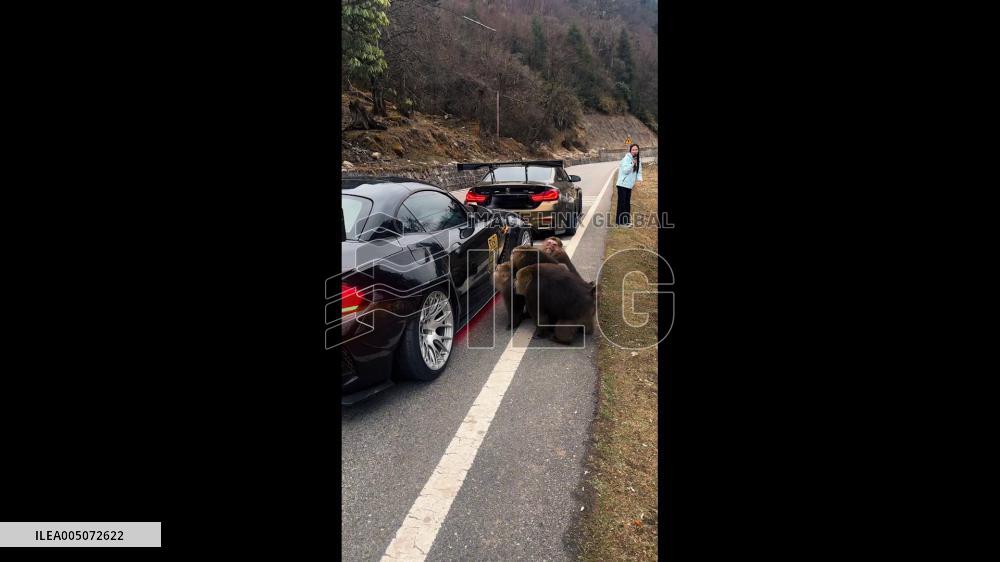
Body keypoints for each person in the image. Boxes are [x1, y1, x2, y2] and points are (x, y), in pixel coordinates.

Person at [615, 144, 642, 227]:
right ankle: (620, 222)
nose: (635, 151)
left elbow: (639, 171)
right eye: (633, 150)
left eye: (636, 150)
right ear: (630, 150)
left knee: (627, 204)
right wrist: (632, 164)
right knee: (622, 204)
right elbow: (625, 171)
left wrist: (640, 180)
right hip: (622, 184)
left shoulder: (638, 159)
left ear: (638, 151)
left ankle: (626, 221)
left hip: (629, 185)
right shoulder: (626, 159)